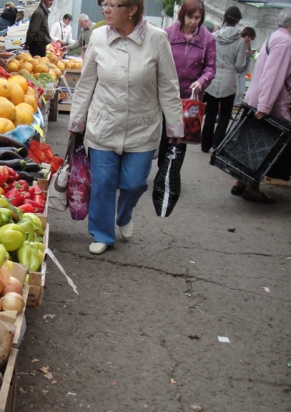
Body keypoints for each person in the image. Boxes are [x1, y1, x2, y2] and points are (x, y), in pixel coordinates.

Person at [68, 0, 183, 255]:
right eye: (104, 3)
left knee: (134, 184)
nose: (106, 9)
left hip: (142, 128)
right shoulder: (98, 36)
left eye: (113, 4)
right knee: (103, 184)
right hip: (104, 125)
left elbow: (168, 86)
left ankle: (124, 214)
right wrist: (76, 121)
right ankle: (102, 233)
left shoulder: (157, 39)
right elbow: (86, 83)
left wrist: (175, 127)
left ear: (132, 9)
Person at [231, 8, 291, 203]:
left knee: (251, 142)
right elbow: (273, 75)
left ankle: (241, 181)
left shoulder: (276, 36)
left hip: (258, 97)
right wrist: (265, 106)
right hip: (267, 102)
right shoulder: (285, 42)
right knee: (261, 147)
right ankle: (252, 187)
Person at [158, 0, 216, 162]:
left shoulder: (208, 39)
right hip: (166, 94)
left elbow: (210, 68)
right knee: (163, 135)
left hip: (188, 99)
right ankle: (161, 173)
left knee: (180, 138)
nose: (193, 22)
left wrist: (201, 82)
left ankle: (172, 174)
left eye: (197, 18)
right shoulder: (167, 33)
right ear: (182, 15)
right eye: (190, 17)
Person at [200, 6, 247, 153]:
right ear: (238, 21)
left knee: (210, 113)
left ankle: (205, 144)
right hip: (229, 80)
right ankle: (217, 143)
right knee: (225, 114)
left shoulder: (213, 36)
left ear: (224, 18)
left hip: (212, 79)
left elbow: (206, 58)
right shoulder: (240, 41)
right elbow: (240, 65)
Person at [234, 27, 256, 106]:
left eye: (251, 38)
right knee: (236, 91)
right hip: (235, 70)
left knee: (241, 91)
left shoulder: (249, 44)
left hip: (243, 70)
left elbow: (248, 56)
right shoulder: (239, 42)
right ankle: (231, 105)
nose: (249, 39)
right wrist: (244, 52)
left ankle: (234, 102)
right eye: (248, 37)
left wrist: (251, 53)